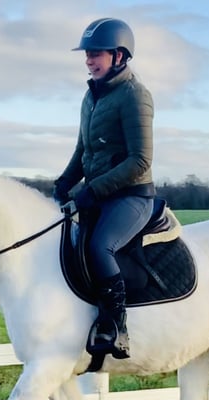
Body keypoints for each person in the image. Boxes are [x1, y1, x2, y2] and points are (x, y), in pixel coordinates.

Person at [53, 17, 156, 360]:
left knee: (100, 247)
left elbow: (139, 160)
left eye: (96, 53)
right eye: (87, 54)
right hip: (99, 192)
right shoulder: (91, 95)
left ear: (119, 55)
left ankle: (116, 325)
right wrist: (66, 180)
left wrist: (93, 190)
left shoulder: (135, 96)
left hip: (131, 196)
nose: (88, 59)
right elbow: (84, 148)